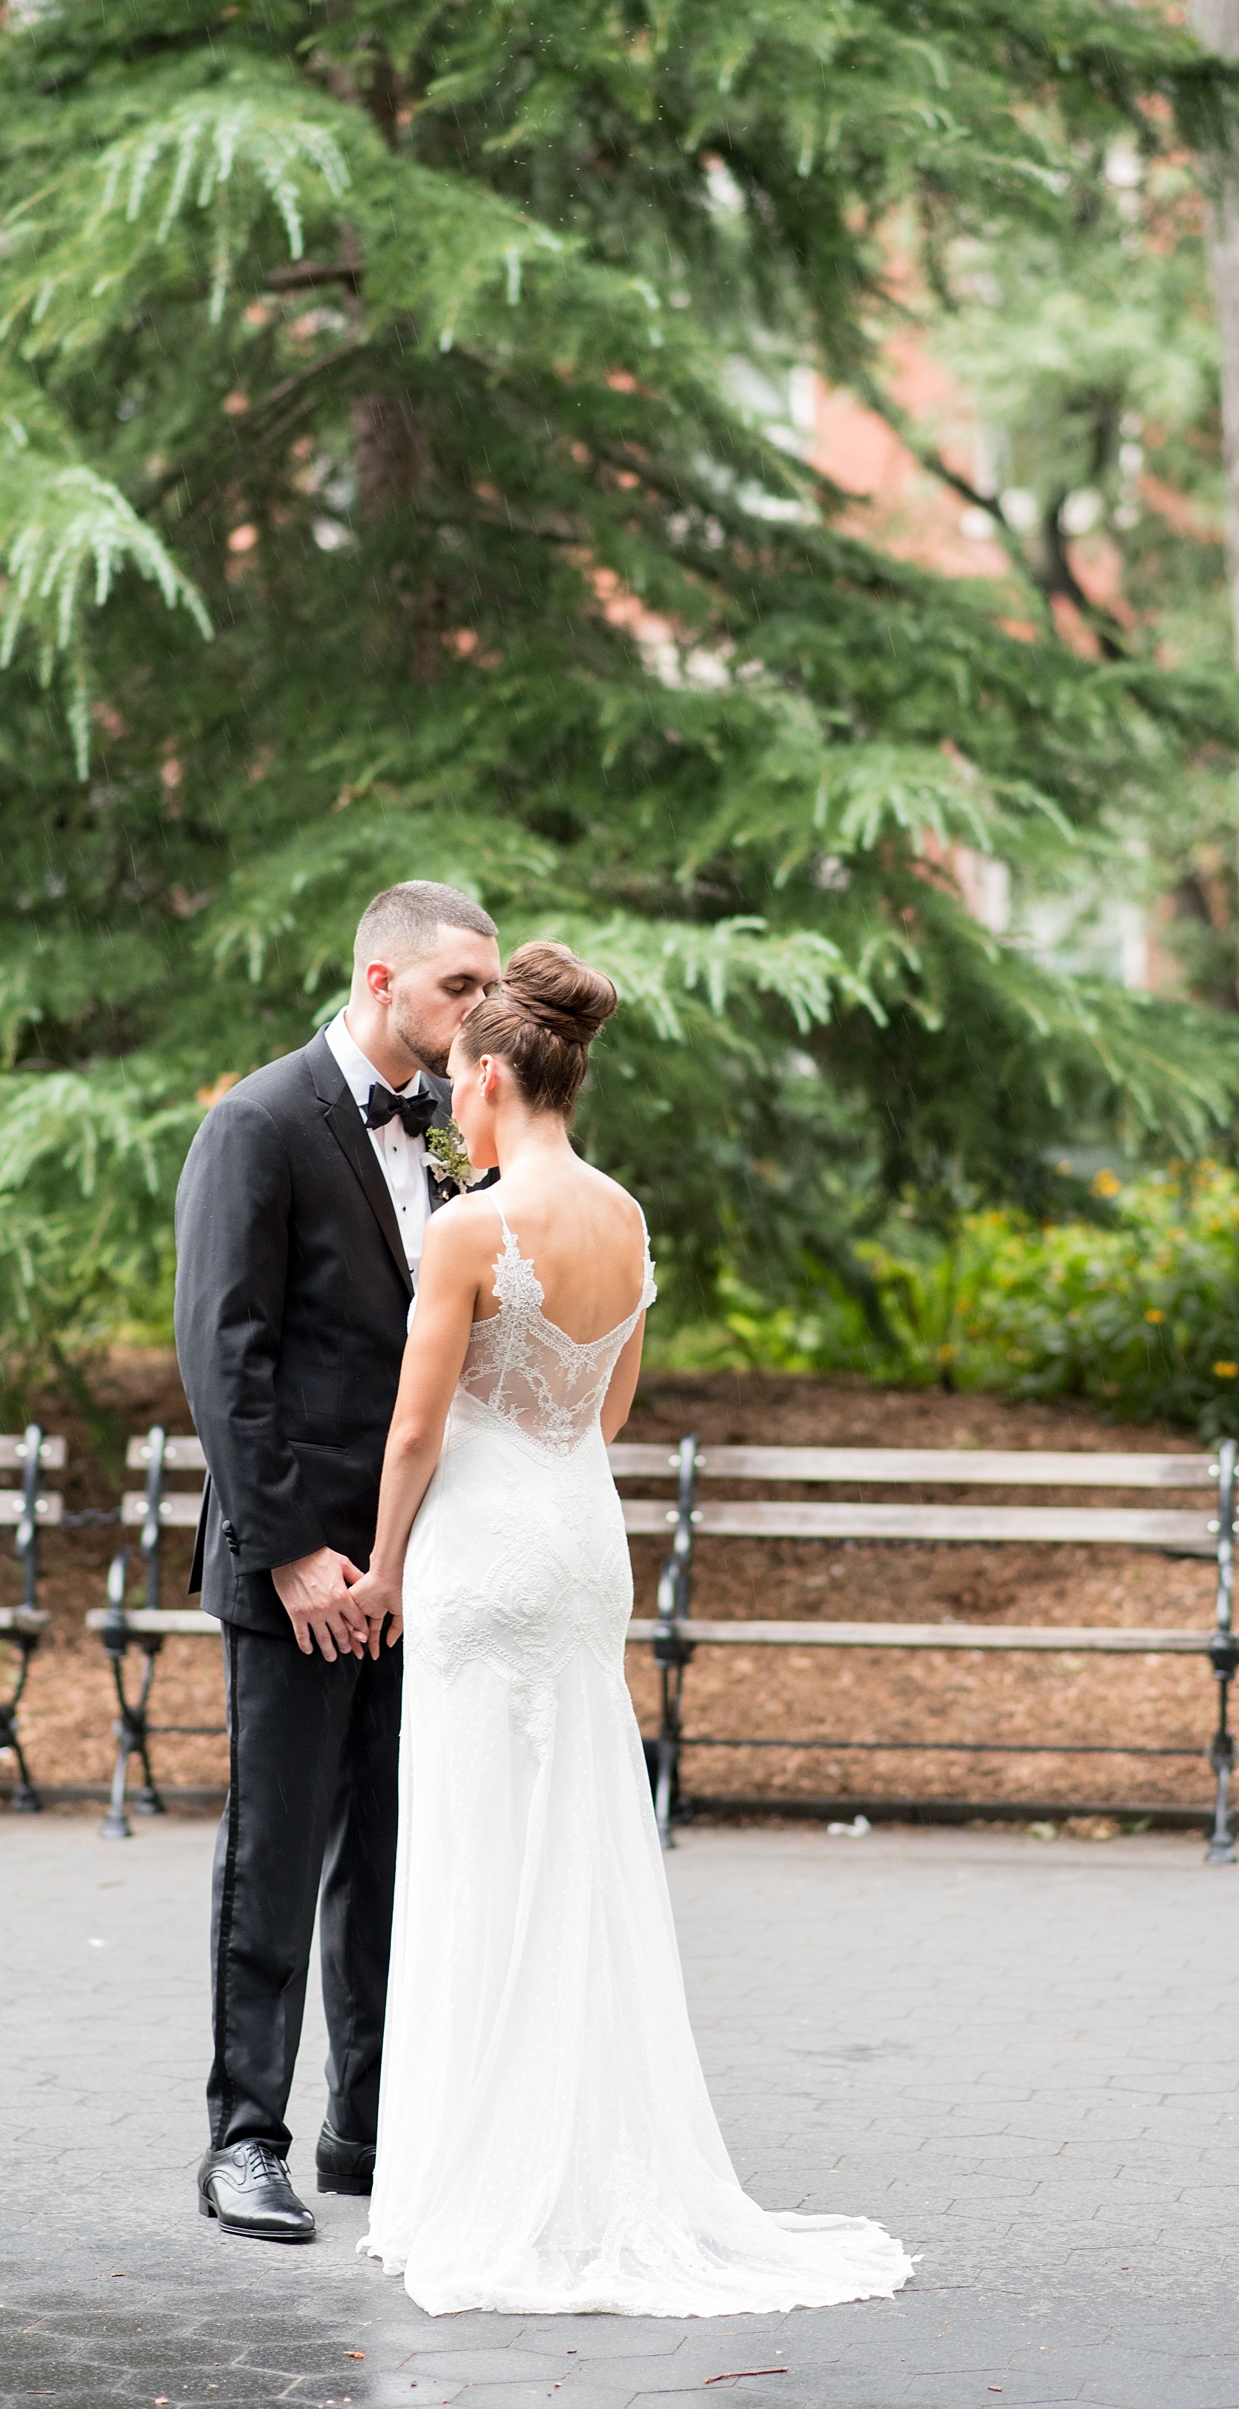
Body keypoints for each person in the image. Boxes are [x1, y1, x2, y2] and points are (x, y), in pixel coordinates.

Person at [351, 941, 914, 2316]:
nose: (452, 1111)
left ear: (490, 1073)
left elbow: (420, 1422)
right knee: (581, 1840)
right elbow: (606, 1416)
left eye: (458, 1088)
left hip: (484, 1547)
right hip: (582, 1534)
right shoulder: (627, 1214)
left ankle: (472, 2180)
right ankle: (590, 2156)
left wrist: (378, 1566)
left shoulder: (468, 1227)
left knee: (479, 1842)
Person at [173, 880, 501, 2241]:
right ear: (381, 979)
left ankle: (364, 2127)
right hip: (294, 1568)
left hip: (409, 1567)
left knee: (387, 1849)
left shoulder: (444, 1134)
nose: (480, 1013)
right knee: (277, 1850)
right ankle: (244, 2137)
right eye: (459, 989)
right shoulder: (256, 1122)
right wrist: (299, 1551)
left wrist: (410, 1552)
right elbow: (223, 1354)